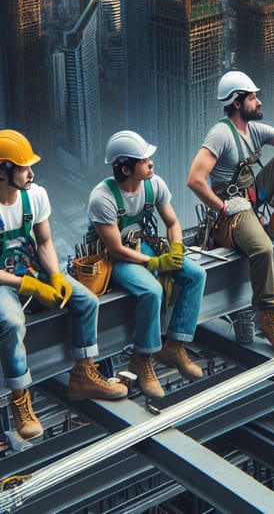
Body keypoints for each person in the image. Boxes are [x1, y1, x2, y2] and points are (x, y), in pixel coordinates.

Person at [0, 130, 126, 440]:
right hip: (5, 281)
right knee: (12, 323)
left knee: (86, 301)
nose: (30, 173)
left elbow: (44, 242)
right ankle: (19, 398)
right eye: (22, 167)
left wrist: (55, 276)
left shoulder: (35, 196)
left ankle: (84, 374)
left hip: (32, 268)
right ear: (3, 170)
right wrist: (26, 286)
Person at [187, 70, 274, 355]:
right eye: (251, 97)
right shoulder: (221, 135)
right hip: (233, 212)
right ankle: (269, 316)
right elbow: (195, 179)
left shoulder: (255, 130)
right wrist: (224, 207)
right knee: (262, 249)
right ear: (237, 103)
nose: (258, 102)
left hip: (253, 196)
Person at [88, 131, 206, 399]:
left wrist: (175, 250)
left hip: (147, 245)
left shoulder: (154, 185)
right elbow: (115, 249)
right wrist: (154, 262)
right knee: (150, 290)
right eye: (144, 160)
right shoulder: (103, 198)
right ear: (127, 168)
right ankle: (144, 359)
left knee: (196, 274)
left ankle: (175, 345)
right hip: (115, 258)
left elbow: (173, 223)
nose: (151, 163)